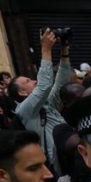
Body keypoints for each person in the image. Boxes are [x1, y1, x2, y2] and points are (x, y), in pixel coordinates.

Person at [8, 28, 73, 165]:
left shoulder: (45, 104)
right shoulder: (25, 110)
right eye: (28, 82)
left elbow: (62, 82)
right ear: (22, 93)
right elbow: (44, 85)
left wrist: (64, 51)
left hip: (71, 153)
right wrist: (46, 50)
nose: (34, 81)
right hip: (58, 164)